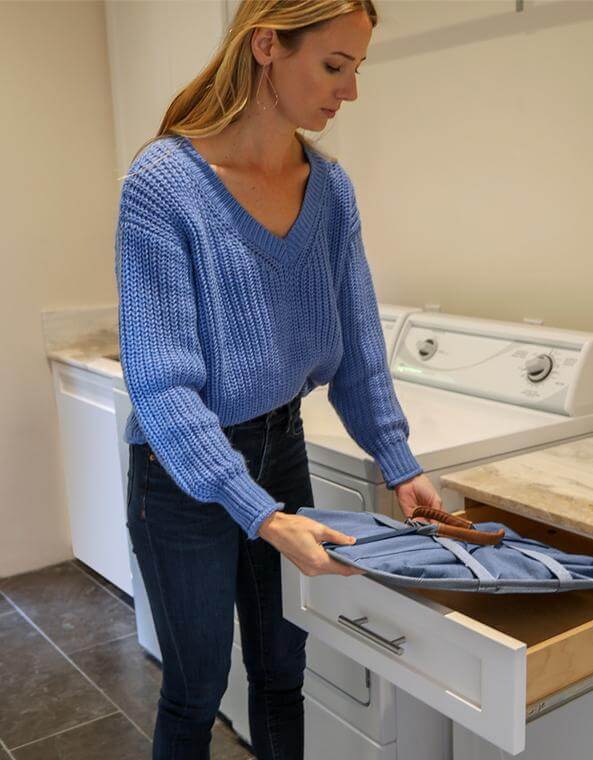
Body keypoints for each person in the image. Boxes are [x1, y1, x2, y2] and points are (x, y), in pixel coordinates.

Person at [115, 1, 443, 758]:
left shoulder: (330, 192)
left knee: (280, 675)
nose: (349, 92)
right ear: (267, 45)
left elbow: (360, 345)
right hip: (181, 477)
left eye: (357, 69)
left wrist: (401, 463)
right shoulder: (163, 187)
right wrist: (259, 514)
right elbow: (162, 387)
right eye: (334, 66)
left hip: (281, 446)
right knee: (195, 691)